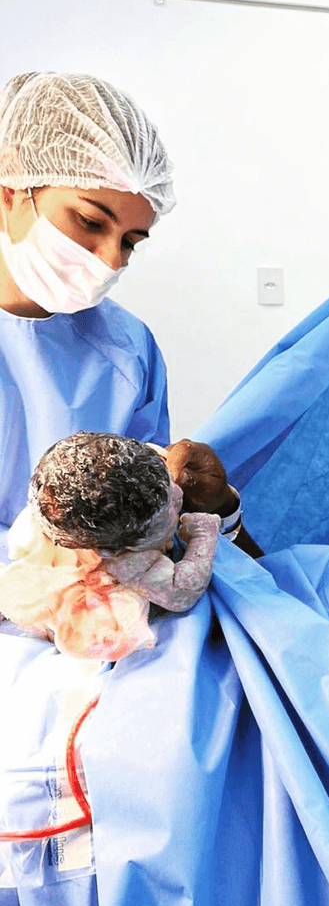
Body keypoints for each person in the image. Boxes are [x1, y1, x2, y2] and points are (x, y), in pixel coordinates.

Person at [0, 71, 246, 557]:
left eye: (131, 241)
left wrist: (214, 507)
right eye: (91, 222)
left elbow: (146, 530)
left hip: (94, 608)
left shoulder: (127, 349)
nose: (111, 259)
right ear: (11, 191)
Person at [0, 432, 221, 659]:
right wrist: (203, 535)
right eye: (169, 511)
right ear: (116, 550)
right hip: (89, 606)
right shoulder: (130, 563)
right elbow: (182, 592)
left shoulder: (57, 516)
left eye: (165, 476)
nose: (179, 492)